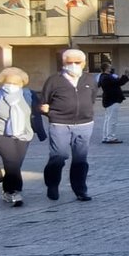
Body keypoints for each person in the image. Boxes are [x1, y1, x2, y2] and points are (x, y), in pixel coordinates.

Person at [37, 48, 98, 202]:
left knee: (80, 159)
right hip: (60, 124)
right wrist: (52, 114)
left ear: (83, 63)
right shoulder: (54, 80)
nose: (73, 65)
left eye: (77, 62)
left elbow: (91, 98)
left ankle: (80, 189)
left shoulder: (90, 79)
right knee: (59, 156)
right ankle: (52, 184)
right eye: (69, 62)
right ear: (63, 63)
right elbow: (44, 103)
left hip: (84, 124)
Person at [0, 66, 38, 206]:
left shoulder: (28, 95)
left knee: (16, 164)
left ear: (22, 84)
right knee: (11, 162)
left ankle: (7, 189)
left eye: (15, 83)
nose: (11, 86)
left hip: (23, 133)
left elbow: (35, 112)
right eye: (8, 83)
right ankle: (14, 191)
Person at [98, 64, 129, 144]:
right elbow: (119, 82)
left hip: (109, 100)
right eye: (109, 67)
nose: (111, 68)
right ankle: (111, 137)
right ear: (106, 68)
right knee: (112, 120)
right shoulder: (107, 77)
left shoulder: (103, 76)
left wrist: (124, 76)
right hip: (112, 100)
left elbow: (117, 82)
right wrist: (126, 75)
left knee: (108, 119)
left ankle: (106, 137)